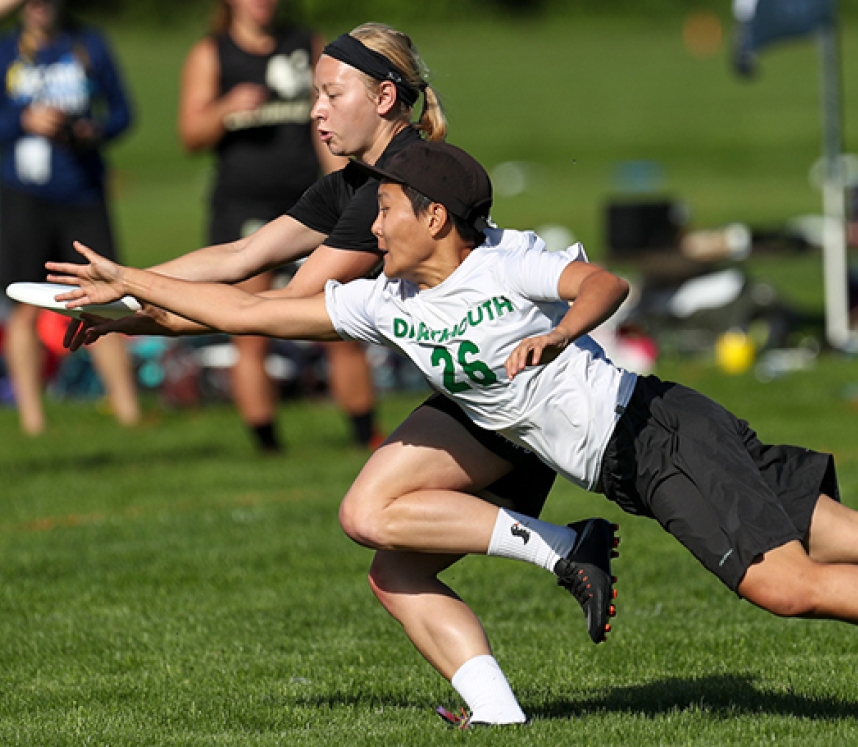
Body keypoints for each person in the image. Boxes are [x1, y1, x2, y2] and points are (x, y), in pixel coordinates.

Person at [51, 139, 858, 725]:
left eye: (383, 209)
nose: (365, 223)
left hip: (656, 439)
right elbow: (243, 309)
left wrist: (557, 333)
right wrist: (121, 296)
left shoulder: (501, 261)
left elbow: (601, 281)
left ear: (433, 216)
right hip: (646, 454)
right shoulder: (382, 300)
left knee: (782, 583)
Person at [54, 24, 605, 727]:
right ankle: (500, 716)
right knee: (395, 569)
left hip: (513, 386)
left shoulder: (397, 180)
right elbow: (243, 255)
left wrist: (132, 305)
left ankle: (564, 547)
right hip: (475, 385)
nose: (313, 109)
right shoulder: (354, 181)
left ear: (383, 97)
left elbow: (277, 307)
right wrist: (125, 291)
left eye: (328, 93)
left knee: (367, 515)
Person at [178, 0, 379, 452]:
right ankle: (268, 446)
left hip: (308, 201)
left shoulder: (304, 44)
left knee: (339, 321)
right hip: (242, 204)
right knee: (249, 328)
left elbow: (326, 124)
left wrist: (344, 189)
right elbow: (190, 134)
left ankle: (368, 436)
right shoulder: (212, 53)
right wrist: (226, 107)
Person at [0, 0, 140, 435]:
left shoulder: (89, 44)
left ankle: (129, 413)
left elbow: (122, 112)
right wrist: (22, 120)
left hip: (83, 195)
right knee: (21, 304)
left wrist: (91, 130)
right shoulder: (6, 51)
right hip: (23, 197)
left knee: (103, 298)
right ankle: (32, 420)